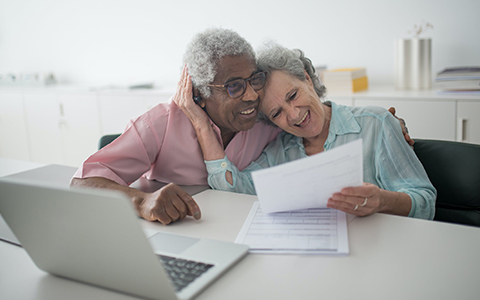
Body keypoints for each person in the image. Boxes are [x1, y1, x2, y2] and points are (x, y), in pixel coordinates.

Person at [72, 28, 413, 225]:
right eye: (234, 86)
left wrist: (386, 122)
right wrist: (140, 201)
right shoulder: (162, 123)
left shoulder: (268, 122)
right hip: (168, 236)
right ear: (200, 94)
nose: (251, 95)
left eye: (254, 80)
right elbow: (81, 183)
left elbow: (316, 117)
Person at [175, 43, 436, 219]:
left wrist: (382, 201)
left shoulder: (375, 123)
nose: (294, 114)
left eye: (292, 95)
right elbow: (231, 192)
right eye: (276, 113)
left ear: (307, 79)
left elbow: (425, 202)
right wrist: (201, 125)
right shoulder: (280, 150)